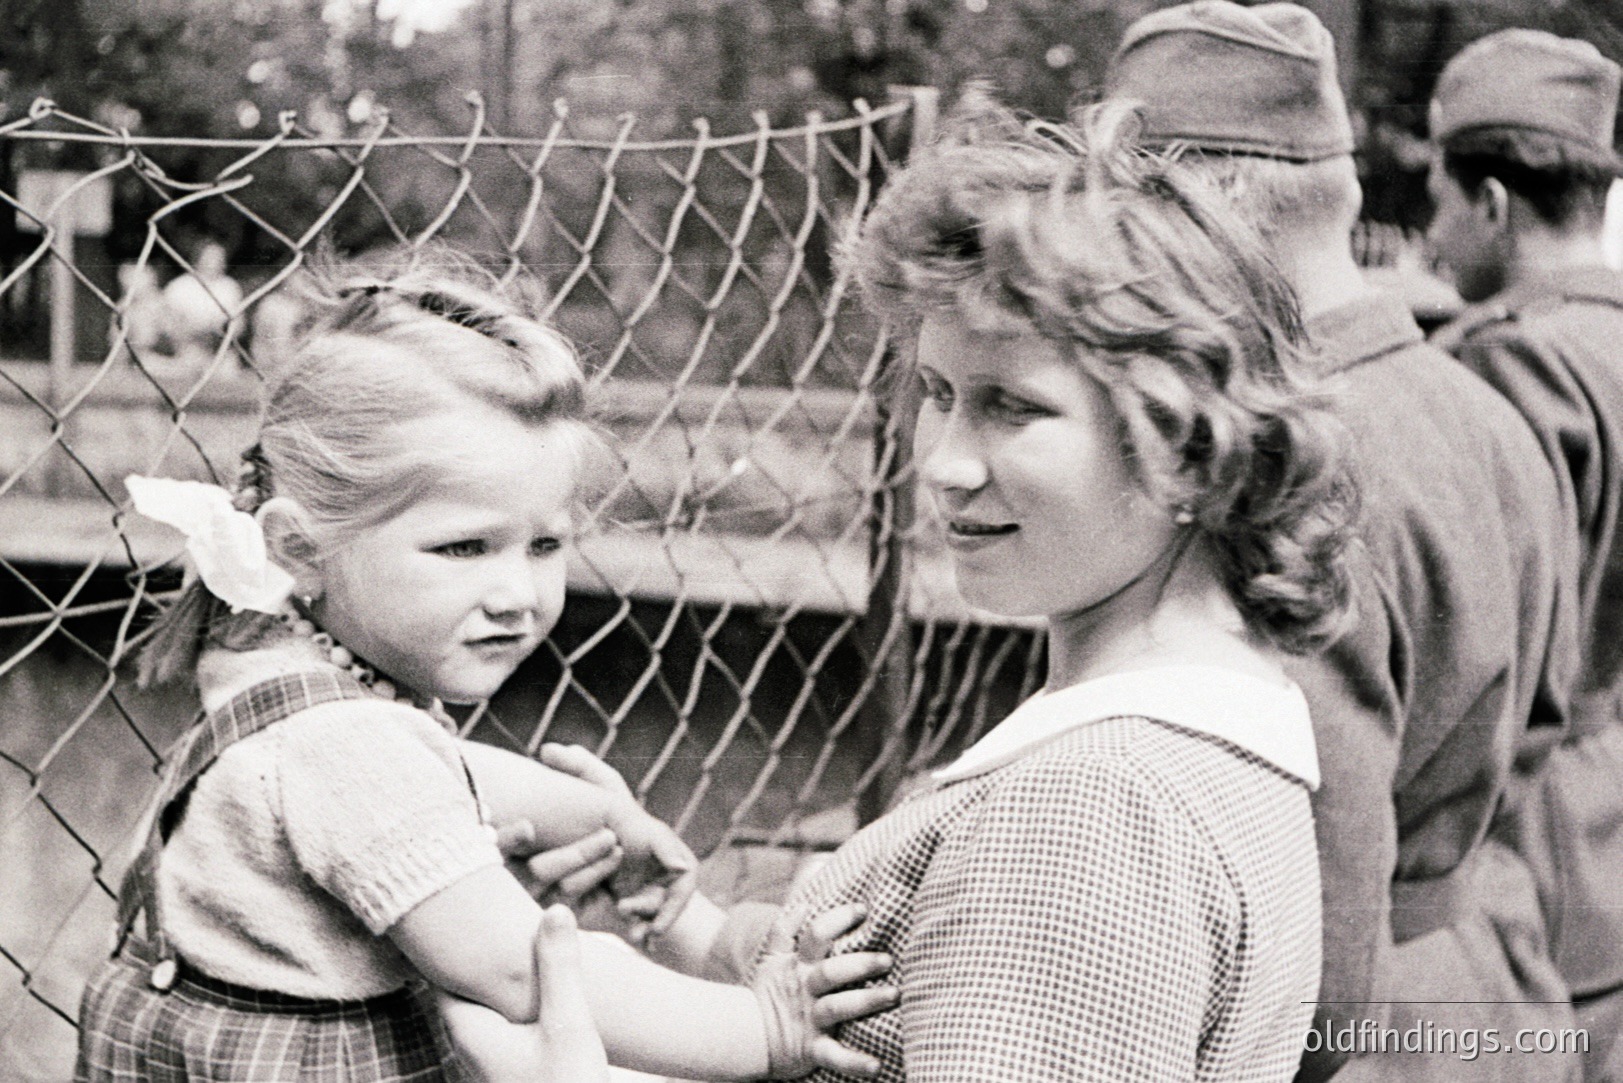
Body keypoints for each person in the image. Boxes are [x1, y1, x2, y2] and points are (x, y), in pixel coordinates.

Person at [73, 257, 895, 1083]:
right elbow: (519, 968)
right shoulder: (343, 744)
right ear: (301, 546)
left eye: (543, 545)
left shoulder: (276, 657)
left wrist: (594, 815)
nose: (517, 594)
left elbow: (443, 767)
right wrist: (759, 1024)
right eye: (463, 547)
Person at [1106, 5, 1582, 1080]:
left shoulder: (1284, 467)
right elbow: (1536, 729)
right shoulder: (1482, 406)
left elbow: (1313, 891)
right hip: (1494, 983)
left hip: (1357, 1035)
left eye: (1130, 214)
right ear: (1343, 189)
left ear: (1205, 209)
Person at [1426, 29, 1623, 1079]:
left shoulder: (1514, 366)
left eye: (1442, 199)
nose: (1433, 231)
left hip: (1519, 851)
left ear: (1493, 204)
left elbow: (1481, 639)